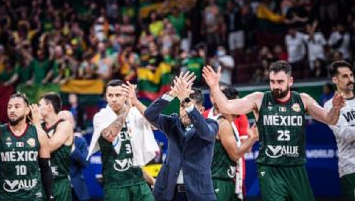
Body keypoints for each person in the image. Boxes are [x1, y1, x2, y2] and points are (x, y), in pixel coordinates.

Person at [202, 60, 345, 201]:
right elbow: (226, 106)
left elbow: (329, 119)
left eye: (280, 82)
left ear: (290, 81)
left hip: (296, 167)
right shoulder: (259, 99)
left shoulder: (303, 100)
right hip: (270, 168)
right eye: (272, 81)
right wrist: (214, 86)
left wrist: (336, 108)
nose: (275, 86)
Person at [144, 72, 219, 201]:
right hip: (169, 193)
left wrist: (186, 100)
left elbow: (205, 133)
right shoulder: (173, 122)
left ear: (200, 110)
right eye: (182, 106)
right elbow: (150, 114)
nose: (184, 111)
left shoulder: (211, 125)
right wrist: (172, 94)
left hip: (198, 194)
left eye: (188, 106)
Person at [87, 79, 158, 201]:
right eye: (110, 95)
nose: (113, 99)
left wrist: (135, 101)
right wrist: (126, 109)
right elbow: (110, 135)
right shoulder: (100, 117)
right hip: (115, 184)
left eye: (118, 95)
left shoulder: (135, 113)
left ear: (125, 96)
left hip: (138, 181)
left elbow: (155, 123)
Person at [0, 93, 54, 201]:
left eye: (17, 106)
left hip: (33, 197)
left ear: (27, 110)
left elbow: (46, 169)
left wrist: (50, 197)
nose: (12, 110)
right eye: (9, 107)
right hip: (7, 197)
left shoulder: (39, 134)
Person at [209, 86, 258, 200]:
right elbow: (235, 154)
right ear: (229, 104)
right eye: (238, 102)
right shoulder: (224, 124)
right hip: (219, 181)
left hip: (229, 179)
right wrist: (253, 139)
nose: (241, 105)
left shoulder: (229, 123)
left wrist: (251, 138)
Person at [31, 92, 74, 201]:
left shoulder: (64, 125)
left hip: (59, 181)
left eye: (40, 105)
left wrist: (35, 122)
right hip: (39, 181)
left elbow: (48, 147)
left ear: (49, 107)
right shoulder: (38, 126)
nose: (37, 108)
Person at [324, 60, 355, 200]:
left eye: (351, 75)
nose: (351, 79)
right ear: (335, 79)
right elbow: (344, 133)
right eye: (345, 76)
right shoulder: (330, 105)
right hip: (350, 168)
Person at [60, 109, 90, 201]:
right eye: (60, 121)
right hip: (59, 189)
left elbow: (85, 163)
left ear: (72, 122)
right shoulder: (52, 141)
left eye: (66, 121)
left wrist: (72, 147)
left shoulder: (80, 141)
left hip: (78, 189)